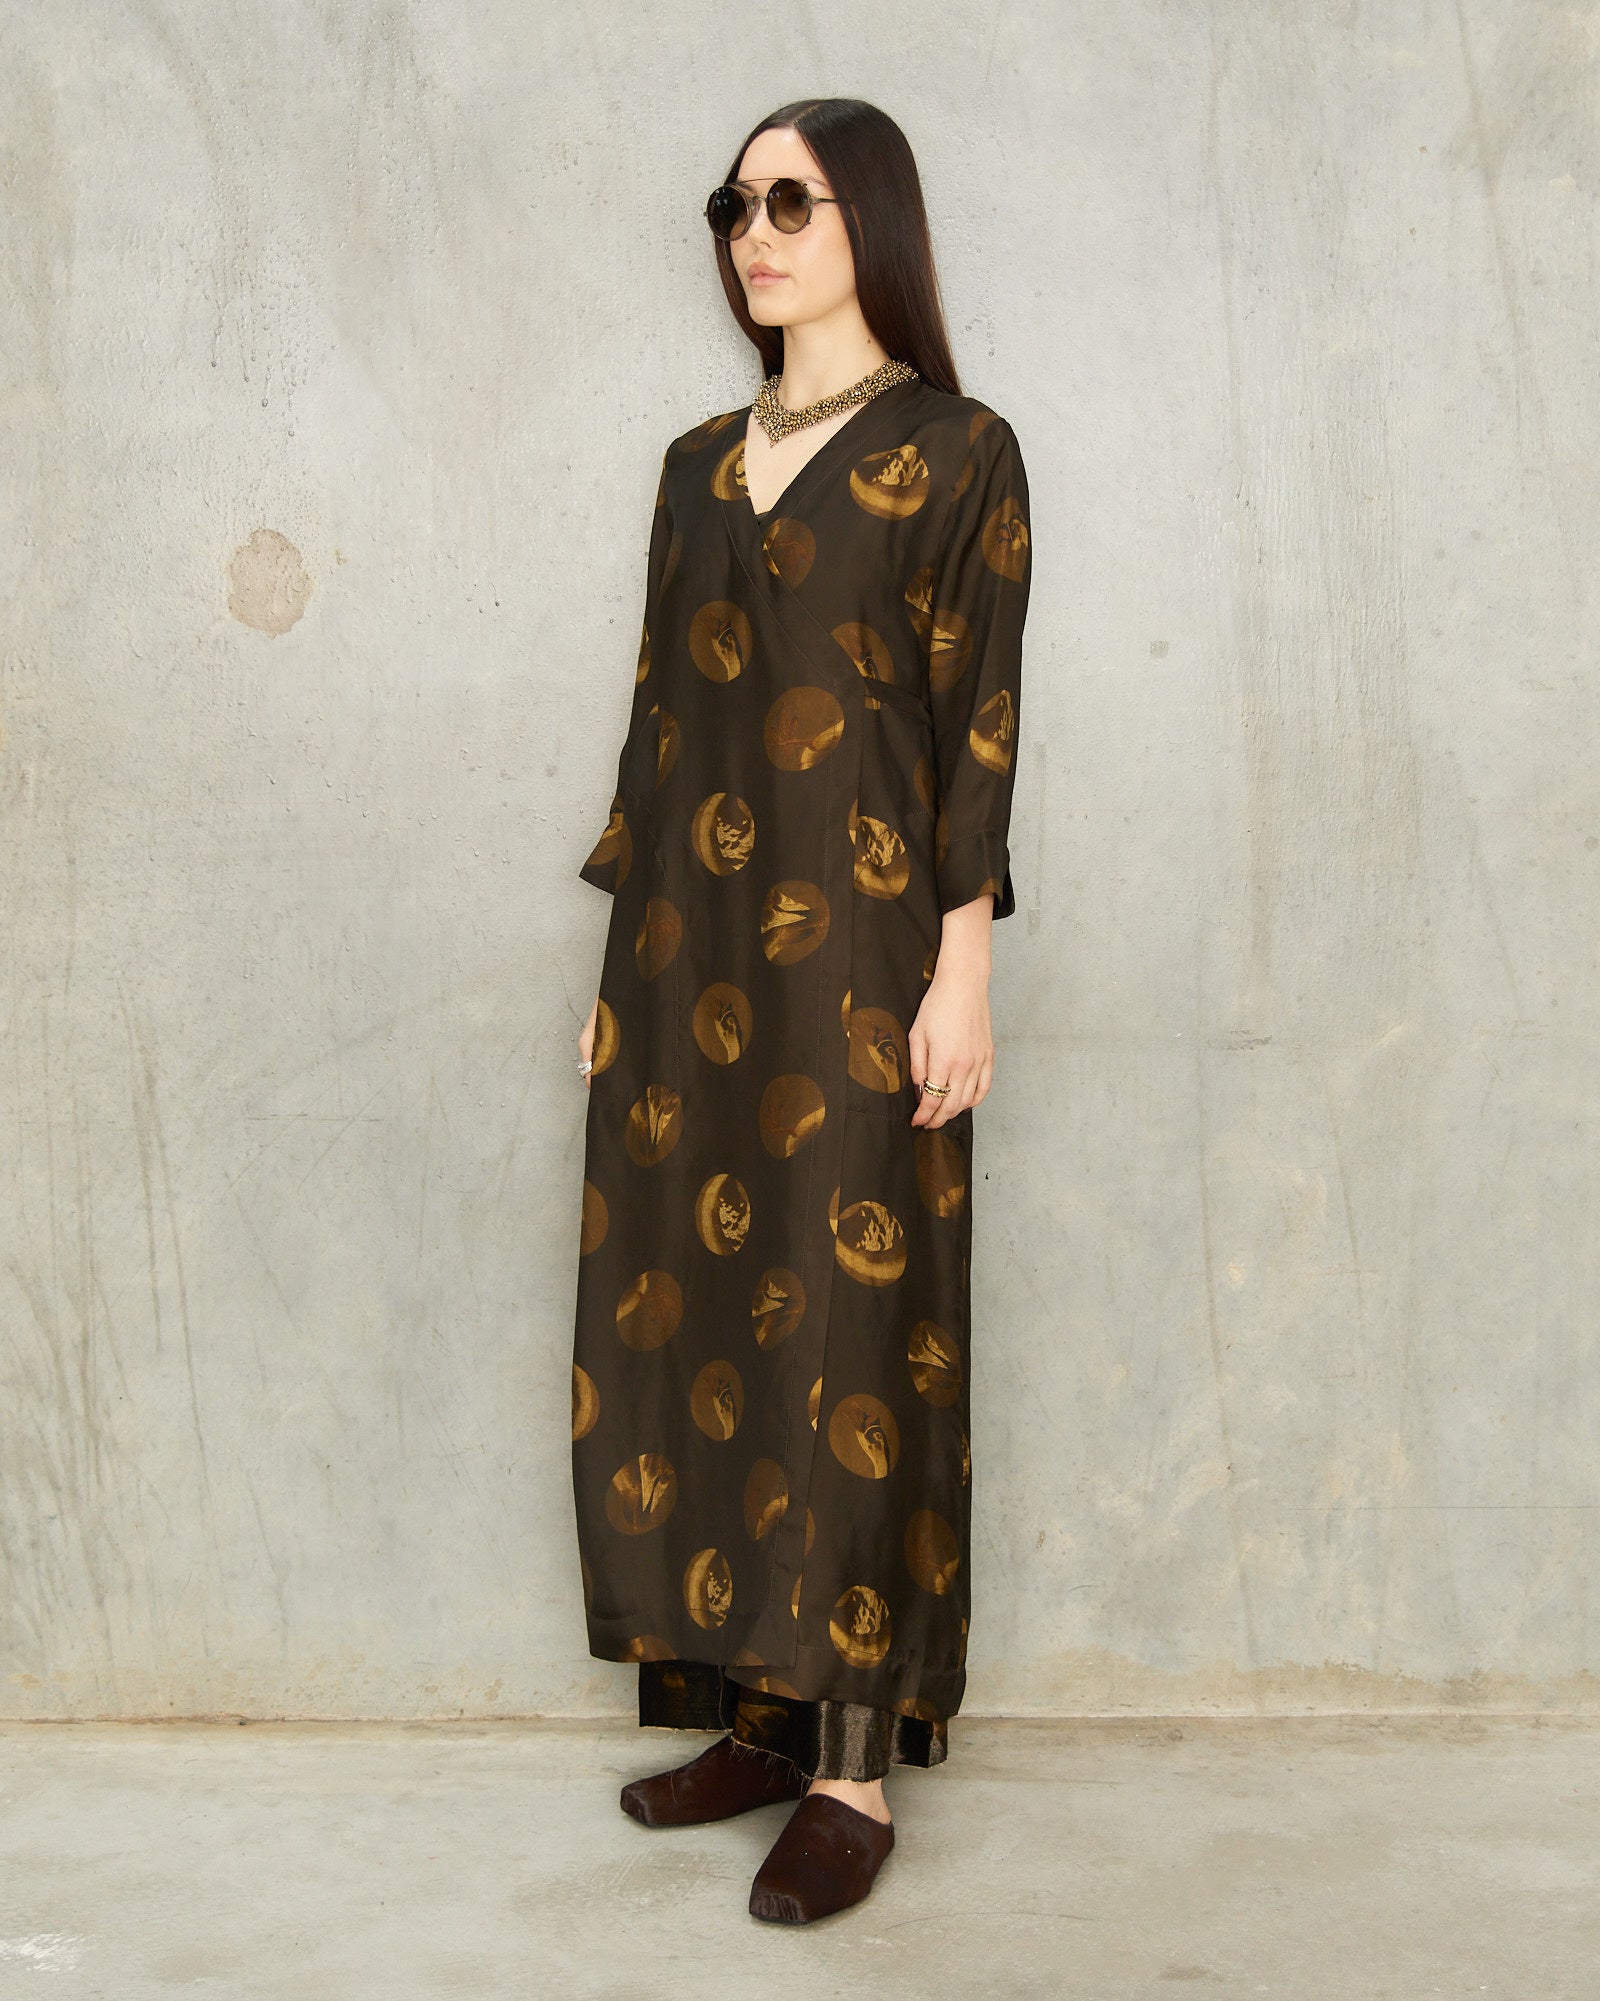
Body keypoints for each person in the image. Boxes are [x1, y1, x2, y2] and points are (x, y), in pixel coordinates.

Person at [570, 95, 1031, 1924]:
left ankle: (851, 1771)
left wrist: (962, 967)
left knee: (851, 1327)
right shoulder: (697, 463)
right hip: (687, 960)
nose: (753, 235)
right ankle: (753, 1716)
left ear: (871, 227)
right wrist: (617, 974)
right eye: (734, 204)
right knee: (693, 1310)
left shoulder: (958, 452)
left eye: (792, 202)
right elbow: (659, 718)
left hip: (860, 955)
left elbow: (976, 722)